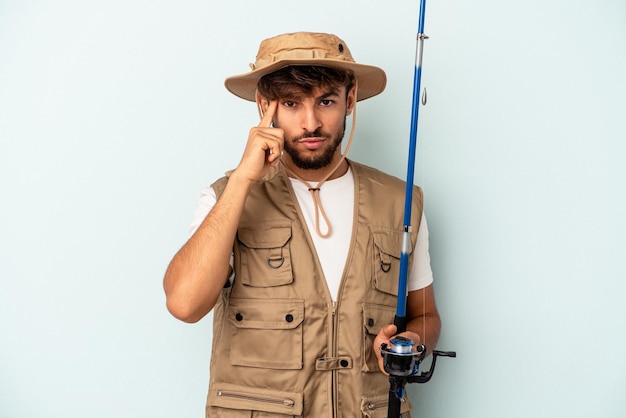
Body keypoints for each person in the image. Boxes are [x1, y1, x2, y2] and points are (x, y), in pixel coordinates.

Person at [163, 31, 441, 417]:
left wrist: (414, 340)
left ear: (350, 99)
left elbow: (425, 315)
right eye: (291, 103)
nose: (311, 123)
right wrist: (244, 179)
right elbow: (184, 304)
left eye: (325, 101)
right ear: (264, 106)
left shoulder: (402, 202)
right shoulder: (227, 196)